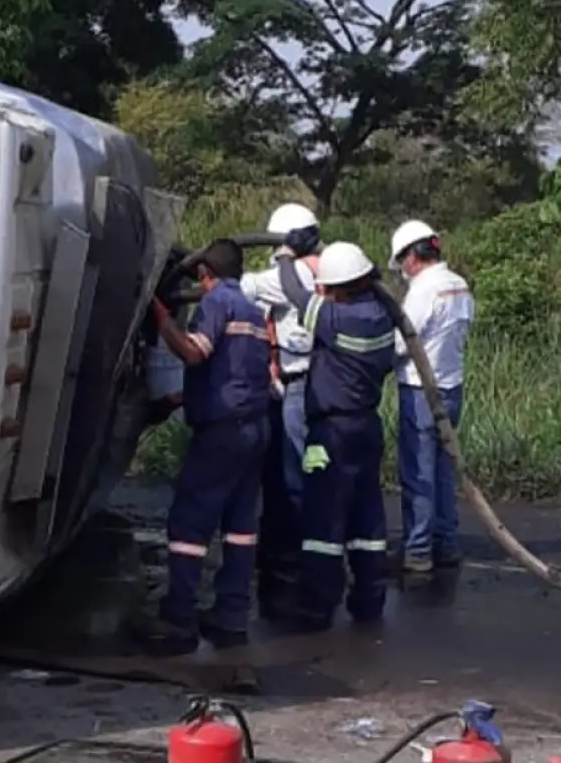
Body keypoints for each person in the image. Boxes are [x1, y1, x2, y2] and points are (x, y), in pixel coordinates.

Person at [140, 239, 272, 655]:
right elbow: (235, 374)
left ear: (203, 274)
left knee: (189, 525)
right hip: (255, 429)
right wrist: (181, 400)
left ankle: (178, 617)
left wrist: (161, 317)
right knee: (239, 528)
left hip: (221, 435)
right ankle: (230, 616)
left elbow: (195, 354)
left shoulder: (216, 303)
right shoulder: (254, 312)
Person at [272, 241, 396, 630]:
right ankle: (369, 598)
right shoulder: (380, 316)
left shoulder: (335, 319)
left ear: (339, 288)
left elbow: (294, 292)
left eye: (327, 287)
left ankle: (316, 606)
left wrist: (287, 256)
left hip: (330, 433)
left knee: (323, 519)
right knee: (367, 517)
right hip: (366, 427)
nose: (322, 292)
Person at [240, 203, 321, 615]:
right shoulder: (320, 268)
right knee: (281, 471)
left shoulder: (298, 274)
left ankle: (288, 558)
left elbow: (248, 287)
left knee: (290, 475)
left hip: (298, 385)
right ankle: (281, 549)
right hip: (289, 382)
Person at [388, 220, 475, 574]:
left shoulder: (424, 290)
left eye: (402, 261)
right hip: (452, 388)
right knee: (442, 469)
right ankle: (446, 544)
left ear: (412, 256)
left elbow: (402, 341)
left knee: (418, 472)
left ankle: (419, 551)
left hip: (421, 391)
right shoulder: (459, 285)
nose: (403, 270)